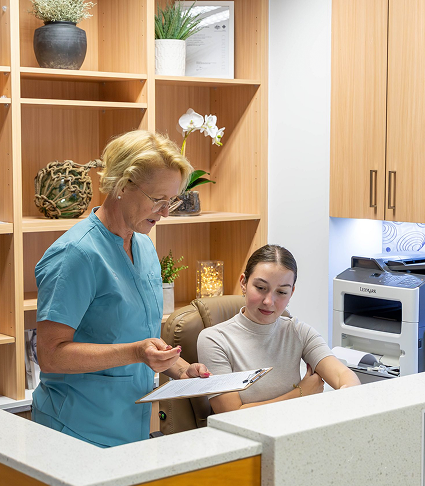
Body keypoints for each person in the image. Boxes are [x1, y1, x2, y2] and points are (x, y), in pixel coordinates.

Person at [32, 130, 211, 447]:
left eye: (172, 200)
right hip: (75, 433)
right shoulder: (76, 255)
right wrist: (136, 352)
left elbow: (136, 338)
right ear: (121, 185)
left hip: (130, 429)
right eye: (158, 200)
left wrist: (181, 370)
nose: (166, 212)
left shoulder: (143, 246)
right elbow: (50, 355)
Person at [197, 244, 360, 414]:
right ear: (243, 283)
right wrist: (301, 393)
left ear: (291, 292)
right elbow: (230, 413)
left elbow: (343, 375)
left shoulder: (298, 331)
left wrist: (349, 390)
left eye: (281, 292)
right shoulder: (214, 339)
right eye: (260, 288)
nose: (269, 301)